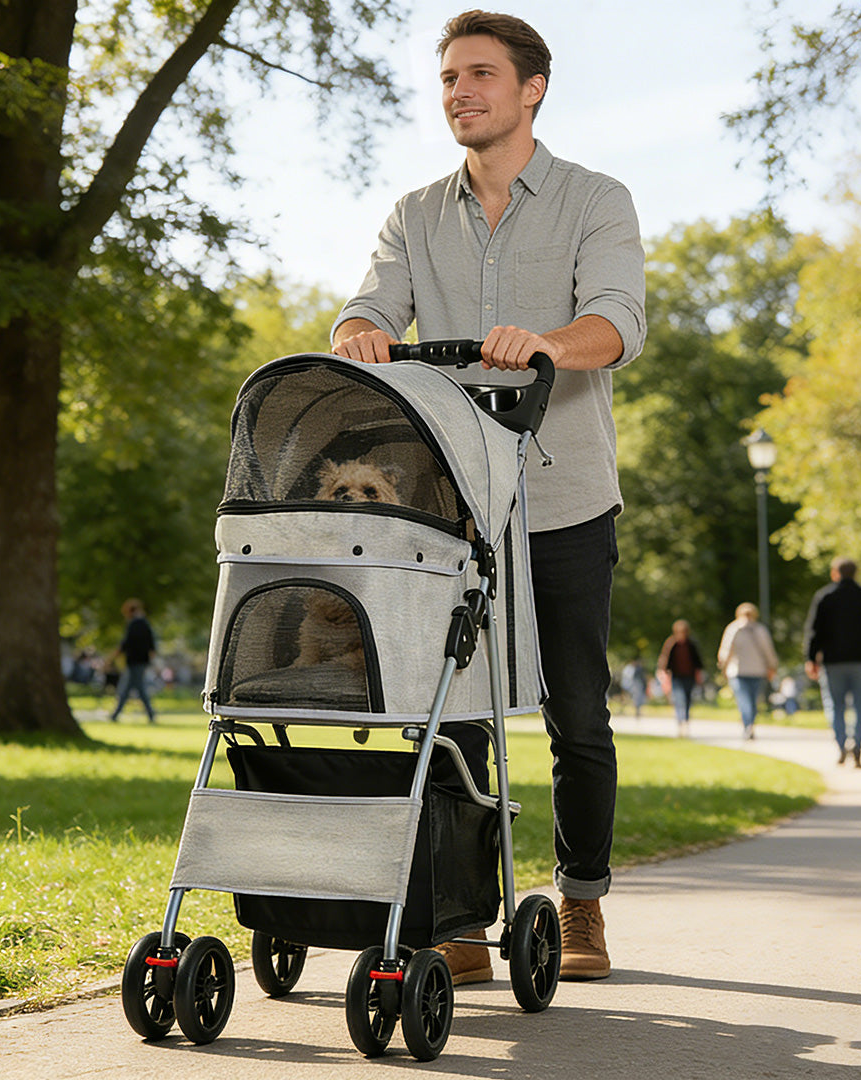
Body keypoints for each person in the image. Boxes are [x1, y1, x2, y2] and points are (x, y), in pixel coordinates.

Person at [331, 10, 646, 984]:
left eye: (479, 75)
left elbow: (619, 322)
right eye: (449, 79)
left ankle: (583, 901)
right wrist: (357, 332)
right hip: (453, 509)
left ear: (531, 88)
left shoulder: (596, 198)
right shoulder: (415, 212)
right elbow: (370, 305)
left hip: (565, 502)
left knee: (577, 715)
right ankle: (463, 918)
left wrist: (549, 341)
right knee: (454, 715)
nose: (458, 92)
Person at [803, 557, 861, 767]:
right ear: (855, 573)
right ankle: (857, 745)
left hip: (833, 662)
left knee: (835, 705)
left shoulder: (825, 597)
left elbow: (814, 631)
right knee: (860, 705)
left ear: (835, 573)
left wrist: (811, 658)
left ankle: (842, 745)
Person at [716, 602, 777, 740]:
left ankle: (747, 725)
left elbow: (726, 650)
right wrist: (772, 666)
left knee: (744, 701)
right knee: (753, 701)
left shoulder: (733, 628)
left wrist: (723, 666)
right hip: (757, 671)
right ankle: (750, 725)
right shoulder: (760, 630)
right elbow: (768, 651)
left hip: (738, 671)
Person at [108, 599, 158, 724]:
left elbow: (126, 643)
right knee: (134, 688)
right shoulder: (145, 624)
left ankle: (116, 714)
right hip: (141, 661)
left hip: (134, 661)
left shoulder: (134, 624)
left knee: (129, 688)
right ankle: (149, 714)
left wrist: (113, 657)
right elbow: (151, 645)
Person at [656, 620, 704, 736]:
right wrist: (663, 674)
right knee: (679, 698)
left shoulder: (691, 644)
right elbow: (665, 659)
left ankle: (685, 720)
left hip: (689, 676)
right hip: (676, 676)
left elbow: (698, 662)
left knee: (687, 699)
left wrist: (699, 675)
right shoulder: (672, 643)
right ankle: (680, 721)